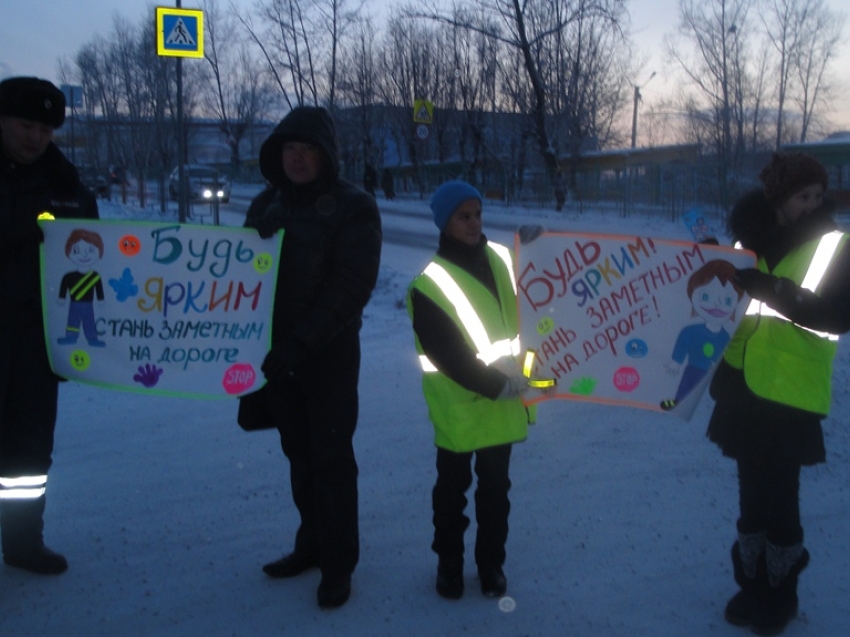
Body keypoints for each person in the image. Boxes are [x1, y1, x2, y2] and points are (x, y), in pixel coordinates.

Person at [239, 106, 382, 610]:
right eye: (289, 150)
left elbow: (351, 285)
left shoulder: (354, 207)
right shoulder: (264, 206)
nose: (297, 159)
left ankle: (338, 564)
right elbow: (237, 282)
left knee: (331, 460)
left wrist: (301, 342)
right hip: (277, 361)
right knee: (298, 455)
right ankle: (311, 544)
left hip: (329, 356)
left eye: (307, 150)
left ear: (326, 156)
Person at [706, 152, 850, 635]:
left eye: (816, 196)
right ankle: (750, 586)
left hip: (791, 392)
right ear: (777, 198)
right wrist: (711, 262)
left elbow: (835, 316)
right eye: (800, 196)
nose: (811, 205)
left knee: (781, 500)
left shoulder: (834, 245)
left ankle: (780, 596)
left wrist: (769, 287)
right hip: (745, 386)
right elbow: (730, 303)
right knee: (751, 499)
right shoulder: (749, 239)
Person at [406, 180, 535, 600]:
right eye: (463, 216)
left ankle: (490, 563)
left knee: (496, 492)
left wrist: (539, 250)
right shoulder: (428, 284)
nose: (474, 223)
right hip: (460, 404)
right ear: (445, 222)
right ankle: (449, 564)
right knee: (452, 493)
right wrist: (495, 385)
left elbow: (544, 289)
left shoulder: (502, 258)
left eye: (477, 213)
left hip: (504, 400)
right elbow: (447, 353)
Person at [0, 76, 99, 574]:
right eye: (24, 124)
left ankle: (22, 542)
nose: (34, 136)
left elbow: (97, 254)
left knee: (29, 448)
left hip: (40, 340)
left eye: (44, 128)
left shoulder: (67, 187)